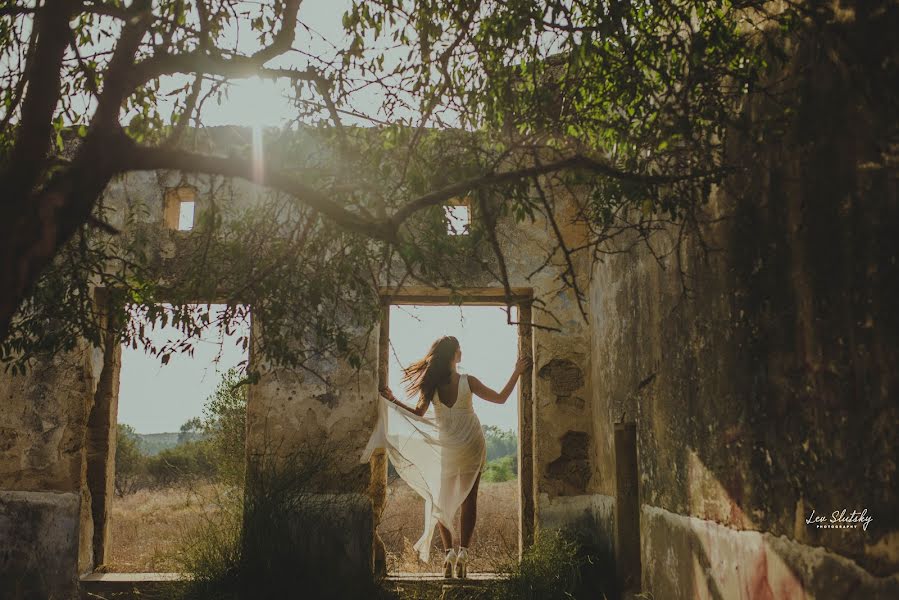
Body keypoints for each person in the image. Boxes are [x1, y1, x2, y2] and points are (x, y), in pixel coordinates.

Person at [360, 335, 531, 578]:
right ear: (454, 355)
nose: (462, 352)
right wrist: (517, 372)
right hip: (472, 442)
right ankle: (463, 553)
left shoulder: (432, 385)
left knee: (442, 501)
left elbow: (418, 414)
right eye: (459, 349)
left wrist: (393, 400)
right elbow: (501, 398)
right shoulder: (468, 381)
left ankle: (450, 553)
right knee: (469, 500)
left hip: (448, 446)